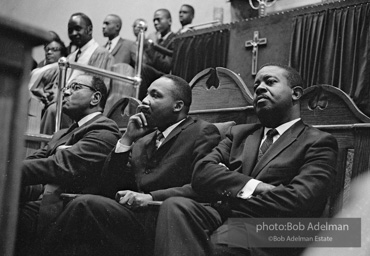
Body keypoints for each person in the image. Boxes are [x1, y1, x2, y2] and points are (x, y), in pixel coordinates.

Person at [154, 64, 338, 256]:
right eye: (256, 84)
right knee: (175, 207)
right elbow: (201, 173)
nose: (259, 88)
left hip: (277, 229)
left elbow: (300, 200)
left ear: (296, 94)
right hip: (226, 217)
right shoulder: (239, 134)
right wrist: (255, 187)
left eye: (270, 82)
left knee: (224, 242)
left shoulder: (318, 141)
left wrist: (228, 192)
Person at [32, 74, 221, 256]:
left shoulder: (201, 131)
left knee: (85, 205)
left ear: (177, 106)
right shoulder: (143, 139)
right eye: (146, 94)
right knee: (84, 215)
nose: (144, 101)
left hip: (168, 222)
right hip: (135, 221)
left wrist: (150, 196)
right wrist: (127, 139)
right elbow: (108, 186)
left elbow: (203, 184)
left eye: (155, 95)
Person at [16, 74, 121, 256]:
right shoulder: (62, 134)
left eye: (76, 87)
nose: (66, 93)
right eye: (66, 88)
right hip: (42, 199)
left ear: (95, 98)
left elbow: (60, 166)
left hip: (64, 209)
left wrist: (8, 170)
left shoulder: (105, 130)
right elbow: (34, 160)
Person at [40, 12, 115, 134]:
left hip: (83, 106)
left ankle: (47, 149)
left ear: (89, 30)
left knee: (53, 110)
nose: (74, 33)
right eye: (70, 30)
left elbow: (99, 88)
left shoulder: (101, 53)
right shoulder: (71, 56)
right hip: (66, 99)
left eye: (78, 29)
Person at [140, 9, 175, 100]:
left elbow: (166, 66)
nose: (155, 23)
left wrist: (150, 49)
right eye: (154, 20)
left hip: (167, 78)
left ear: (169, 21)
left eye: (159, 19)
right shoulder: (156, 39)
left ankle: (139, 101)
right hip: (154, 76)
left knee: (143, 69)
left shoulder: (174, 39)